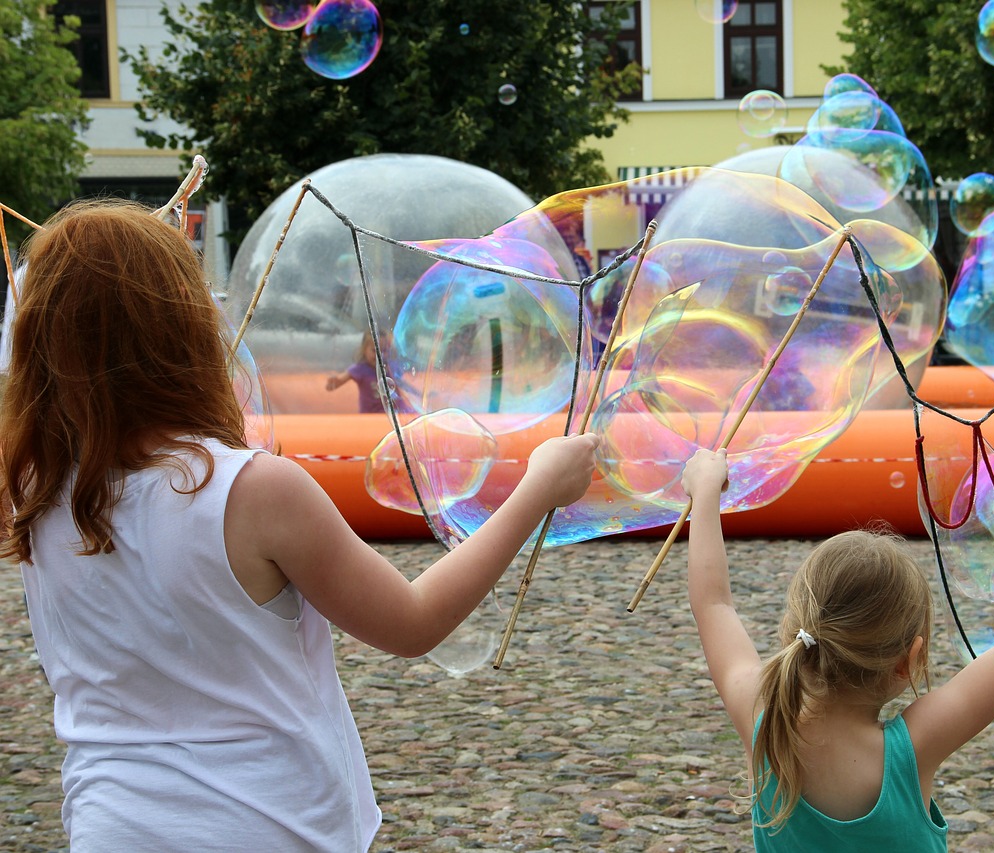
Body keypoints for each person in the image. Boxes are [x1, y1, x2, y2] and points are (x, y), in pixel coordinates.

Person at [0, 199, 601, 851]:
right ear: (187, 328)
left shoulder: (31, 488)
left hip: (113, 825)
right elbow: (412, 622)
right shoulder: (253, 490)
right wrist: (538, 487)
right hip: (268, 823)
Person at [680, 448, 994, 851]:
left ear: (796, 631)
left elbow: (713, 604)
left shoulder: (762, 719)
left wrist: (705, 494)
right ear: (909, 661)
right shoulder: (912, 748)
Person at [326, 329, 408, 413]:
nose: (379, 356)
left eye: (384, 351)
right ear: (364, 350)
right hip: (370, 414)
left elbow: (401, 387)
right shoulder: (360, 369)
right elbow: (341, 379)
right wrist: (335, 382)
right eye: (374, 350)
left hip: (392, 414)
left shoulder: (391, 367)